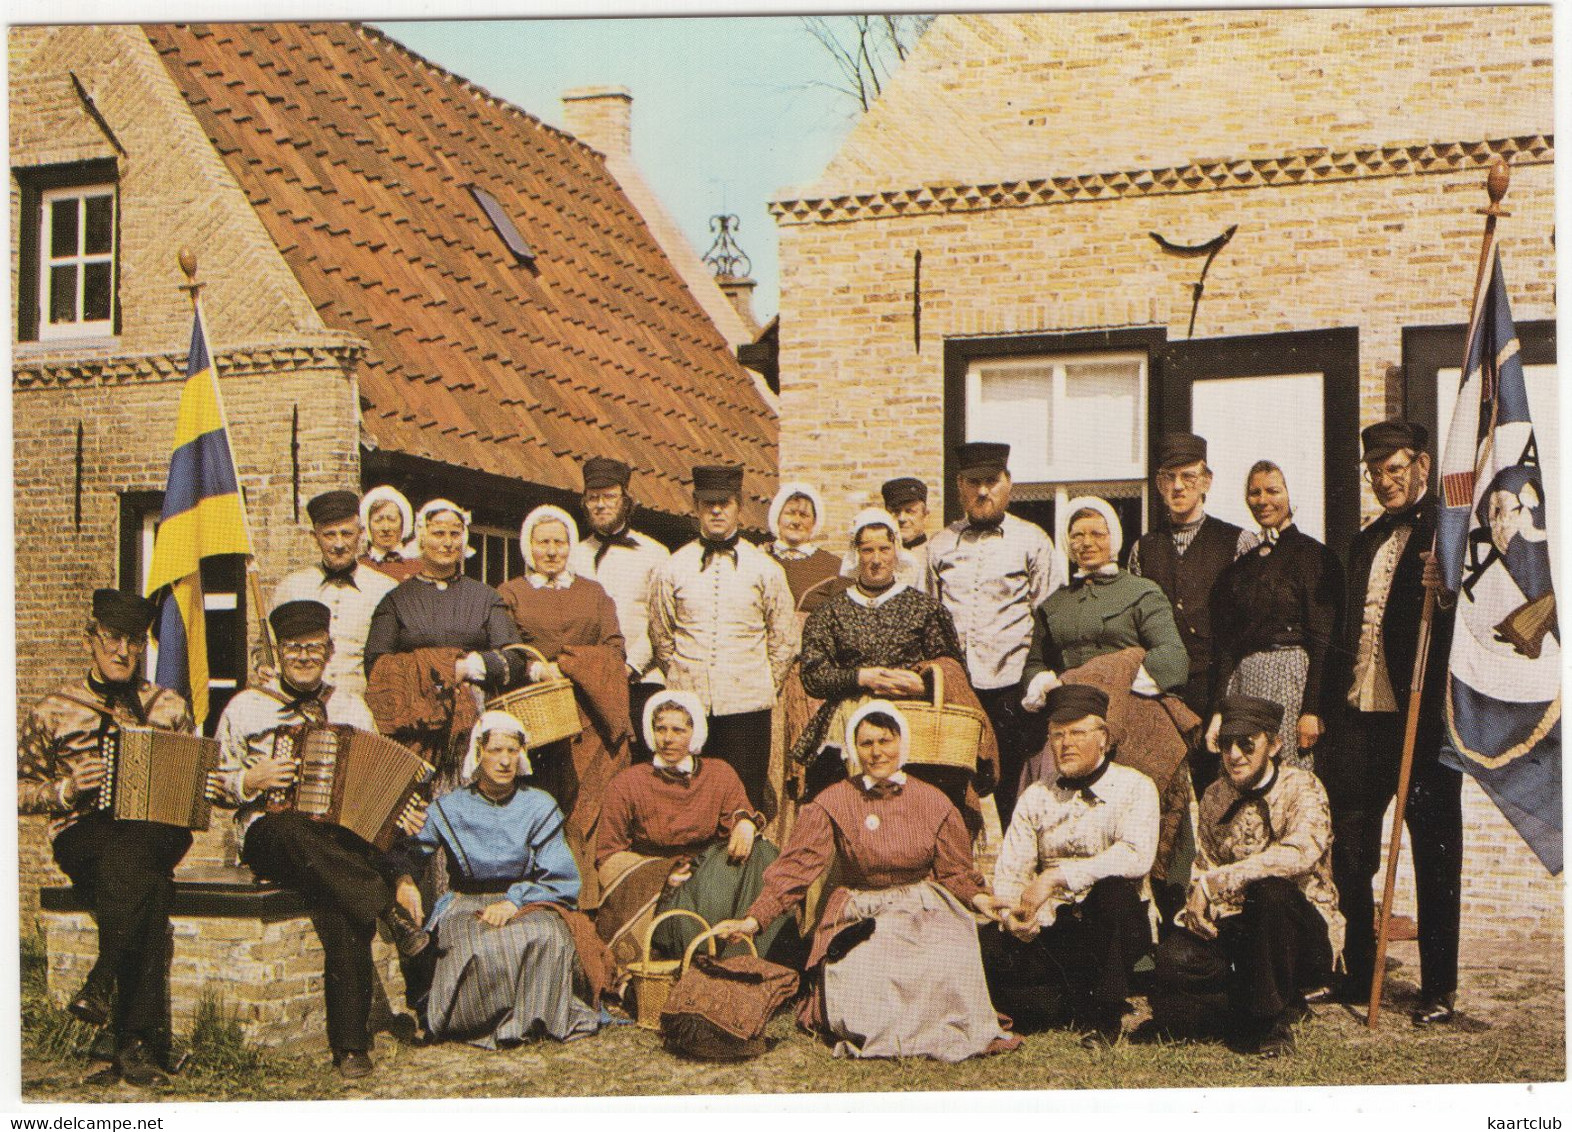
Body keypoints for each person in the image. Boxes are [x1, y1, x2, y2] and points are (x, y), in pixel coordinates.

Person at [714, 702, 1018, 1063]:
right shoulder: (834, 800)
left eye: (885, 741)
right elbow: (798, 867)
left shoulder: (933, 801)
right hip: (862, 907)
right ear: (853, 748)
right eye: (866, 743)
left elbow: (955, 873)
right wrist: (754, 919)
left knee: (945, 949)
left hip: (923, 903)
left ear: (902, 743)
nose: (876, 752)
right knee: (873, 967)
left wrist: (982, 900)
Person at [212, 599, 430, 1080]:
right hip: (269, 834)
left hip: (334, 843)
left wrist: (402, 808)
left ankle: (350, 1047)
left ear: (330, 650)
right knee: (292, 829)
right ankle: (382, 903)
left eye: (314, 647)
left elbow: (380, 780)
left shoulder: (350, 705)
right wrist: (251, 780)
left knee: (340, 906)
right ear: (278, 651)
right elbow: (210, 783)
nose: (305, 656)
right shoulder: (246, 707)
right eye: (294, 647)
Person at [17, 589, 195, 1085]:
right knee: (149, 885)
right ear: (89, 639)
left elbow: (194, 784)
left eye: (134, 641)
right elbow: (17, 790)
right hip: (84, 833)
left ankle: (102, 979)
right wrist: (65, 788)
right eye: (112, 638)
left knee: (137, 854)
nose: (123, 651)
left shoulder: (169, 706)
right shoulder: (54, 709)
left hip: (157, 830)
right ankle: (136, 1043)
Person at [1321, 420, 1461, 1025]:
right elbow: (1340, 633)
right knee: (1350, 850)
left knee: (1433, 853)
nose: (1384, 482)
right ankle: (1355, 971)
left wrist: (1450, 588)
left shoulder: (1449, 535)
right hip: (1359, 723)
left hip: (1421, 723)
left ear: (1422, 467)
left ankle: (1439, 989)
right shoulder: (1362, 543)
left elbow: (1481, 620)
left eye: (1395, 469)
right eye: (1375, 472)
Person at [388, 711, 603, 1048]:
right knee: (481, 945)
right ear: (479, 753)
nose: (504, 761)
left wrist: (514, 901)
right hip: (466, 902)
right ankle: (471, 1021)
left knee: (548, 936)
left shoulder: (538, 804)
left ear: (522, 756)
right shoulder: (449, 806)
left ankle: (535, 1020)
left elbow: (561, 877)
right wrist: (404, 880)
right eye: (496, 751)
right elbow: (410, 852)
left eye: (512, 751)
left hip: (527, 899)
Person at [1148, 695, 1341, 1058]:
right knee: (1173, 964)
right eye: (1225, 745)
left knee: (1271, 893)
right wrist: (1200, 912)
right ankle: (1258, 1000)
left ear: (1275, 744)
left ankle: (1271, 1024)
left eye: (1246, 744)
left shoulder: (1303, 787)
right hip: (1236, 926)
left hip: (1299, 931)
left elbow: (1298, 854)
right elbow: (1204, 866)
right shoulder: (1215, 796)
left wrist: (1216, 883)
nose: (1234, 755)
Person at [982, 684, 1158, 1047]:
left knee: (1114, 892)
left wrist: (1057, 876)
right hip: (1055, 927)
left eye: (1077, 733)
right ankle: (1070, 1001)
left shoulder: (1135, 787)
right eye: (1057, 735)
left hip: (1112, 925)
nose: (1065, 744)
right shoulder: (1037, 795)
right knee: (988, 948)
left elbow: (1136, 855)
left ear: (1104, 738)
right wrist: (1016, 915)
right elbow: (1012, 869)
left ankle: (1105, 1016)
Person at [793, 508, 986, 829]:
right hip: (845, 723)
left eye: (884, 549)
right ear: (856, 554)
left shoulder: (924, 608)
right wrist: (859, 677)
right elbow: (813, 675)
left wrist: (920, 683)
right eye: (867, 550)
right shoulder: (829, 612)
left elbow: (953, 669)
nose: (876, 559)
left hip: (914, 724)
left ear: (896, 551)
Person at [497, 504, 633, 903]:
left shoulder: (593, 593)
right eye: (543, 543)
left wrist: (570, 666)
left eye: (559, 542)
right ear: (529, 547)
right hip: (536, 716)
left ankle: (589, 902)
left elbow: (614, 648)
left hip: (589, 715)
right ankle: (541, 898)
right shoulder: (512, 593)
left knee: (587, 810)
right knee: (539, 805)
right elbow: (504, 649)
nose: (552, 551)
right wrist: (535, 671)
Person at [594, 690, 788, 967]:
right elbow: (607, 855)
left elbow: (738, 814)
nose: (668, 739)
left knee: (764, 853)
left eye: (678, 729)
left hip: (710, 874)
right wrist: (661, 874)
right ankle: (712, 960)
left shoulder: (718, 773)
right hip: (662, 887)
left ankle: (758, 958)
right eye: (660, 729)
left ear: (694, 733)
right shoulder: (627, 784)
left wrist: (745, 823)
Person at [928, 441, 1065, 827]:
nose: (983, 491)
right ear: (959, 486)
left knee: (1015, 796)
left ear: (1009, 483)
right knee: (953, 793)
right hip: (959, 689)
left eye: (992, 481)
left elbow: (1048, 616)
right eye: (974, 482)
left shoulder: (1032, 541)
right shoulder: (939, 546)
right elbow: (929, 616)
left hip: (1011, 690)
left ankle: (1022, 879)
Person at [648, 465, 798, 814]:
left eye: (725, 503)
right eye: (708, 503)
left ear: (739, 505)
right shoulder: (673, 567)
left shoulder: (765, 569)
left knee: (744, 799)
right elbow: (661, 634)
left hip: (747, 707)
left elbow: (783, 639)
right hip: (691, 703)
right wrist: (685, 679)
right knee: (692, 796)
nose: (716, 511)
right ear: (695, 505)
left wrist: (760, 683)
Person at [363, 499, 531, 793]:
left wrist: (470, 667)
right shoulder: (397, 599)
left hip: (473, 717)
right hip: (415, 719)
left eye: (455, 534)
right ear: (421, 537)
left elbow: (516, 658)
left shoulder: (484, 597)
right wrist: (438, 668)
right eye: (438, 533)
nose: (447, 543)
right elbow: (376, 664)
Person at [1128, 433, 1257, 792]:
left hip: (1220, 686)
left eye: (1188, 477)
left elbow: (1250, 627)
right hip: (1164, 692)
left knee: (1221, 792)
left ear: (1206, 481)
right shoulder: (1144, 548)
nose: (1178, 487)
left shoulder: (1239, 541)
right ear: (1158, 484)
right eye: (1169, 478)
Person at [1208, 461, 1344, 771]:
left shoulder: (1313, 556)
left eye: (1273, 491)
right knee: (1243, 770)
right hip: (1245, 683)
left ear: (1290, 496)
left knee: (1288, 773)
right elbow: (1228, 644)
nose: (1263, 500)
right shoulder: (1241, 567)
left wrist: (1311, 710)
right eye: (1254, 492)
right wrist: (1218, 710)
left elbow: (1323, 640)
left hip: (1291, 679)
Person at [567, 456, 671, 760]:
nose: (600, 505)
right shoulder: (573, 556)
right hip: (587, 684)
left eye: (609, 497)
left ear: (626, 501)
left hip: (639, 681)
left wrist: (628, 666)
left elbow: (661, 624)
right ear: (584, 503)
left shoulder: (655, 553)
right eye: (593, 498)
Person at [271, 490, 398, 700]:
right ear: (315, 538)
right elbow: (266, 646)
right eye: (329, 535)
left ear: (361, 533)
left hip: (360, 711)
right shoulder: (291, 587)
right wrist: (263, 664)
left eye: (347, 534)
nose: (339, 545)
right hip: (301, 711)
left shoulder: (385, 589)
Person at [765, 481, 845, 610]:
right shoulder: (760, 559)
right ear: (777, 518)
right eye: (790, 513)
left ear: (814, 522)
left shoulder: (833, 567)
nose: (797, 522)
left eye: (804, 515)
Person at [359, 485, 423, 582]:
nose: (386, 528)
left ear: (403, 523)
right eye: (378, 520)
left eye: (392, 520)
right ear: (368, 525)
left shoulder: (420, 568)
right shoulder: (359, 566)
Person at [882, 476, 935, 593]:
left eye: (909, 511)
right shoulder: (880, 556)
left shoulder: (934, 555)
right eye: (895, 511)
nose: (902, 518)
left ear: (925, 515)